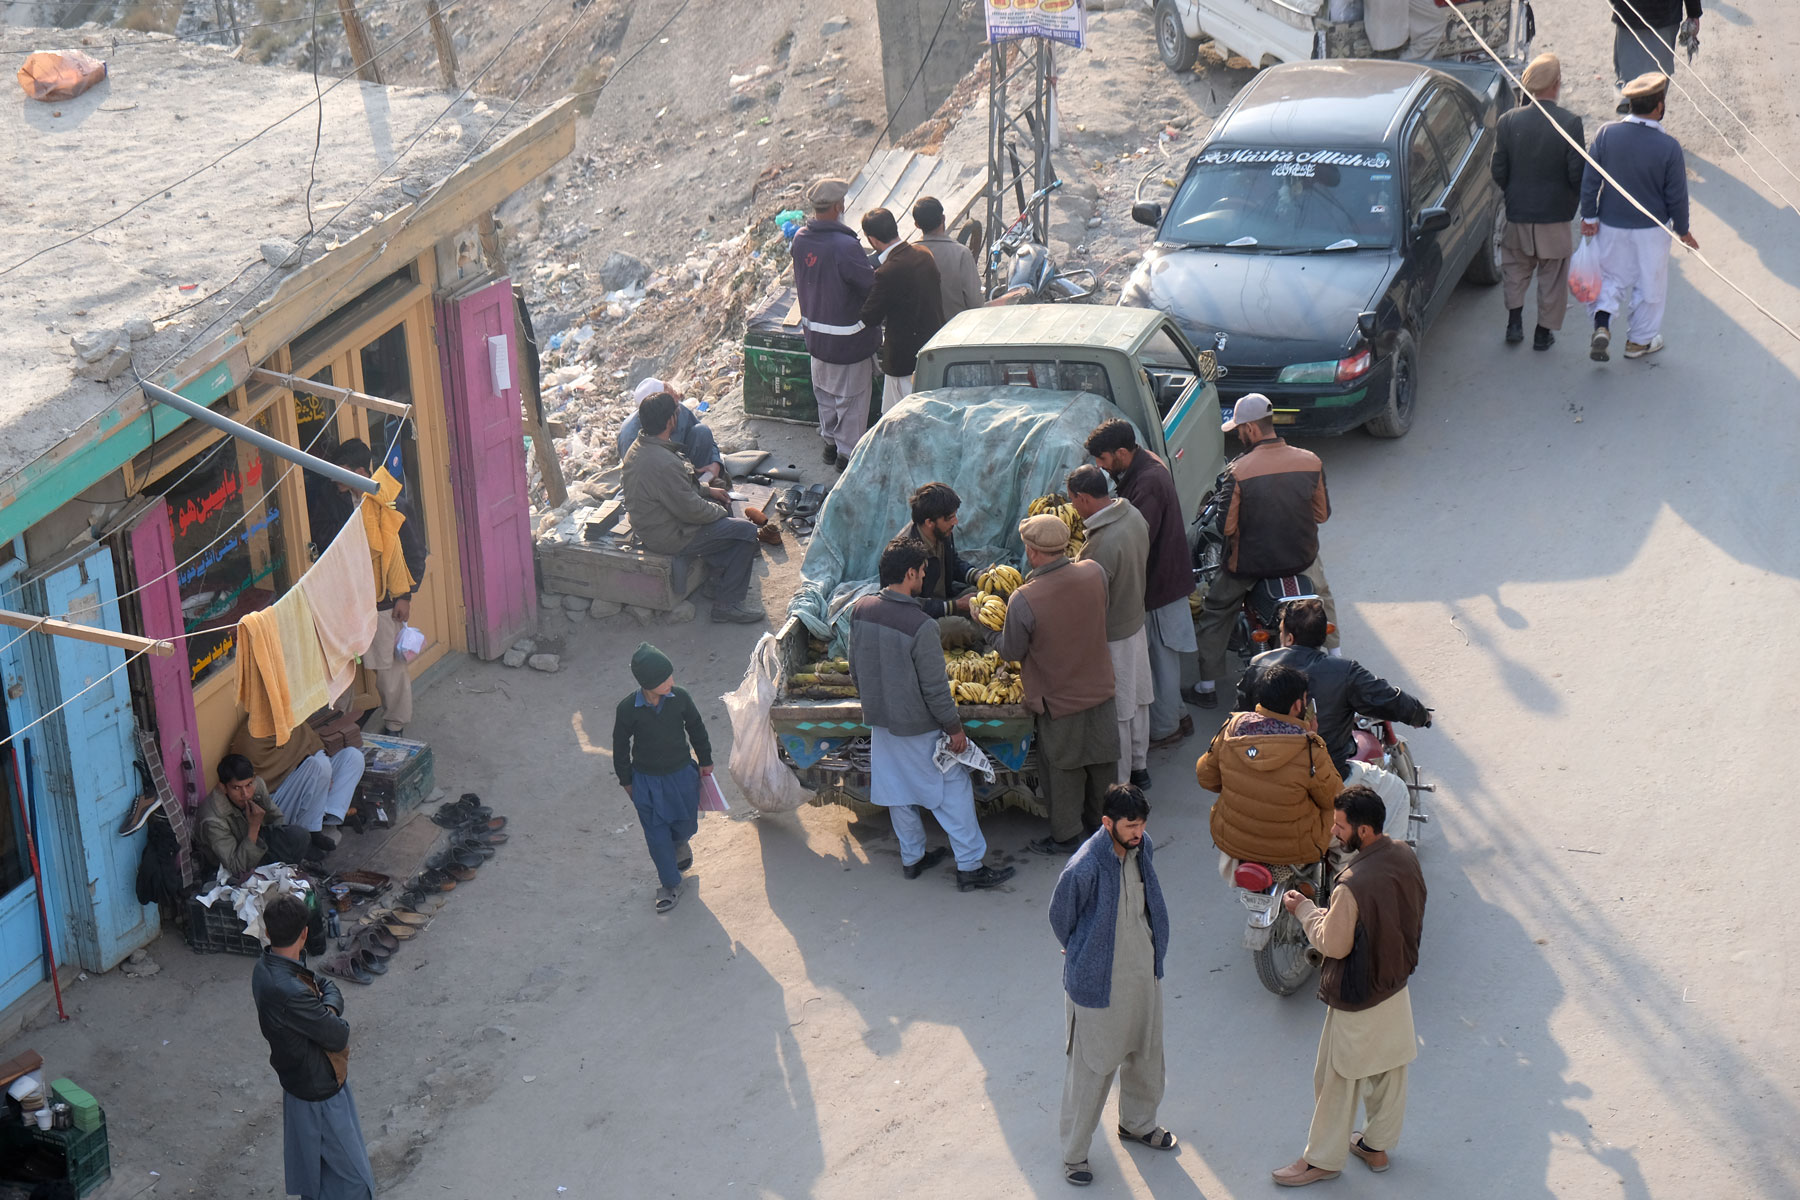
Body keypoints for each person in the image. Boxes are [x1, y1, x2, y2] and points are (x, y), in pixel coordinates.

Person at [1271, 786, 1426, 1187]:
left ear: (1365, 830)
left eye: (1341, 826)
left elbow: (1333, 943)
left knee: (1336, 1078)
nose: (1335, 831)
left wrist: (1304, 909)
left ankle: (1322, 1159)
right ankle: (1375, 1147)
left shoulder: (1352, 884)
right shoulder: (1406, 856)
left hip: (1358, 993)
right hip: (1394, 983)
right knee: (1390, 1070)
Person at [849, 539, 1016, 891]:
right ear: (910, 573)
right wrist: (954, 729)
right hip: (919, 727)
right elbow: (936, 689)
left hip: (881, 721)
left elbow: (854, 669)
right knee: (952, 792)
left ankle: (912, 859)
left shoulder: (860, 609)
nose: (924, 578)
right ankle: (970, 866)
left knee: (898, 792)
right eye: (923, 572)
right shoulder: (921, 625)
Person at [1048, 783, 1176, 1189]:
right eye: (1130, 825)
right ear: (1108, 824)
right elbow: (1060, 917)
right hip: (1097, 983)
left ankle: (1138, 1125)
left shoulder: (1144, 848)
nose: (1138, 832)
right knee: (1092, 1068)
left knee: (1146, 1054)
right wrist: (1082, 950)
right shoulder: (1084, 866)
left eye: (1141, 824)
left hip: (1143, 970)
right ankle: (1074, 1155)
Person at [1186, 395, 1337, 711]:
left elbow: (1226, 527)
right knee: (1321, 598)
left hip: (1250, 566)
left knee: (1215, 610)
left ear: (1252, 429)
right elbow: (1321, 514)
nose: (1238, 435)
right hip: (1301, 558)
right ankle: (1336, 657)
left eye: (1239, 430)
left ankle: (1207, 685)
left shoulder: (1237, 471)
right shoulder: (1311, 460)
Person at [995, 515, 1118, 856]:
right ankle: (1106, 825)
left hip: (1058, 701)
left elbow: (1012, 650)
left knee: (1063, 770)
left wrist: (987, 628)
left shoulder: (1023, 599)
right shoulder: (1094, 572)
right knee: (1103, 762)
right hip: (1100, 691)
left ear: (1032, 553)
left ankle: (1066, 836)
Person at [251, 894, 377, 1200]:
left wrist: (324, 1008)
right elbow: (338, 1035)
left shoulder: (268, 967)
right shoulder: (291, 990)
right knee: (355, 1180)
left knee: (314, 1173)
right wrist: (328, 1012)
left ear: (267, 933)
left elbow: (328, 986)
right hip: (320, 1089)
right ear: (305, 932)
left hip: (297, 1083)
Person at [1084, 420, 1195, 751]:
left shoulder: (1146, 483)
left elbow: (1136, 539)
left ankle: (1164, 729)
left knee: (1159, 660)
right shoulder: (1144, 463)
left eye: (1103, 460)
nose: (1100, 468)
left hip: (1159, 583)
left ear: (1121, 452)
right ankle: (1178, 716)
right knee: (1166, 659)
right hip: (1166, 578)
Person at [1239, 599, 1430, 781]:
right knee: (1396, 791)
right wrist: (1419, 714)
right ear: (1323, 636)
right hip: (1327, 775)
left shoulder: (1258, 665)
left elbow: (1240, 716)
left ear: (1288, 638)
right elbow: (1388, 698)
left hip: (1266, 770)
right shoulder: (1345, 671)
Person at [1580, 72, 1699, 363]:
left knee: (1609, 279)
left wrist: (1589, 216)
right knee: (1650, 287)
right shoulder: (1669, 147)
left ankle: (1602, 326)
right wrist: (1683, 231)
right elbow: (1676, 197)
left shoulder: (1606, 134)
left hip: (1610, 224)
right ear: (1659, 106)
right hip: (1652, 231)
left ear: (1630, 105)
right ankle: (1638, 342)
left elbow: (1590, 180)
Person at [619, 391, 764, 624]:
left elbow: (677, 488)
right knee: (745, 532)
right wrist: (718, 510)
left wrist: (709, 491)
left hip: (655, 523)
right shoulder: (662, 461)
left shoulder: (641, 446)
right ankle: (726, 604)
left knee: (720, 499)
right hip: (667, 535)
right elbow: (692, 510)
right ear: (670, 421)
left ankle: (717, 579)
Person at [1195, 664, 1341, 869]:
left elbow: (1206, 778)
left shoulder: (1231, 728)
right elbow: (1333, 798)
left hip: (1232, 840)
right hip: (1298, 848)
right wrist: (1314, 735)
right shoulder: (1308, 747)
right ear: (1298, 706)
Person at [1066, 465, 1154, 791]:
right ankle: (1141, 767)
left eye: (1074, 500)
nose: (1073, 507)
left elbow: (1088, 605)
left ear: (1085, 498)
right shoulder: (1132, 515)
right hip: (1136, 621)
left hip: (1115, 635)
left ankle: (1122, 783)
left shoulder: (1098, 547)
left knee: (1119, 711)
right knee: (1140, 699)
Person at [329, 439, 424, 737]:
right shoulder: (339, 504)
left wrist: (405, 597)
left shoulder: (391, 504)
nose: (334, 477)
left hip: (384, 602)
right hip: (349, 600)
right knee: (341, 665)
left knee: (388, 669)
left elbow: (415, 554)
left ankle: (396, 724)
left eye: (340, 471)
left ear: (358, 471)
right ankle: (335, 725)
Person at [1492, 53, 1586, 351]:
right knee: (1552, 275)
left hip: (1518, 214)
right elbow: (1576, 174)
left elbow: (1498, 170)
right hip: (1555, 216)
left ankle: (1514, 323)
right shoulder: (1569, 123)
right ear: (1556, 84)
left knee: (1515, 268)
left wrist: (1514, 193)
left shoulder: (1508, 121)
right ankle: (1543, 333)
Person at [612, 643, 712, 913]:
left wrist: (706, 761)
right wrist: (627, 781)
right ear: (646, 684)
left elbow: (696, 728)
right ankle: (669, 884)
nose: (671, 682)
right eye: (663, 679)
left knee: (685, 824)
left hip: (682, 776)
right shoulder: (627, 710)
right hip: (646, 782)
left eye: (670, 675)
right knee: (656, 836)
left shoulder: (680, 698)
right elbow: (620, 747)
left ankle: (680, 843)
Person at [792, 177, 881, 470]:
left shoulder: (800, 239)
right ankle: (846, 456)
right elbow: (868, 285)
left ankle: (829, 444)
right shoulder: (845, 245)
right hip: (848, 340)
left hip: (816, 338)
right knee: (851, 402)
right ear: (839, 206)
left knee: (825, 395)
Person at [229, 712, 366, 850]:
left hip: (304, 779)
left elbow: (315, 748)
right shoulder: (250, 740)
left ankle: (326, 819)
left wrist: (326, 775)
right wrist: (311, 772)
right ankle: (310, 833)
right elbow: (255, 788)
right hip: (275, 798)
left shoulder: (289, 720)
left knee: (353, 757)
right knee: (315, 766)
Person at [858, 206, 945, 412]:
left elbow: (870, 317)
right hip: (932, 348)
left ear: (872, 240)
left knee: (900, 417)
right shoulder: (924, 254)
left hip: (903, 359)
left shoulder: (887, 272)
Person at [198, 754, 318, 875]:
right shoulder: (213, 818)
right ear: (223, 788)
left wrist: (282, 843)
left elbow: (276, 818)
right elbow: (236, 866)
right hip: (228, 863)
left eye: (248, 785)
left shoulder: (257, 786)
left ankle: (288, 870)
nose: (245, 794)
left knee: (299, 836)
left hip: (256, 840)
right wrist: (254, 827)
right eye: (236, 788)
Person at [894, 482, 979, 629]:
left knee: (982, 595)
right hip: (919, 619)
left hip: (945, 601)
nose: (956, 522)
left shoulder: (943, 533)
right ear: (929, 522)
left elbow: (953, 563)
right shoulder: (905, 553)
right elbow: (909, 606)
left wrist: (977, 575)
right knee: (958, 628)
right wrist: (956, 605)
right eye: (950, 518)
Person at [615, 377, 722, 482]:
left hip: (684, 465)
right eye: (671, 396)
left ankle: (703, 480)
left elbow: (706, 439)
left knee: (702, 431)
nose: (678, 397)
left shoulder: (678, 409)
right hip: (657, 476)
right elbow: (638, 472)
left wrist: (715, 462)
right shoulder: (629, 434)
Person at [1611, 0, 1701, 104]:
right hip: (1663, 15)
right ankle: (1648, 111)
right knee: (1656, 81)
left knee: (1629, 76)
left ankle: (1632, 109)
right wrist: (1693, 13)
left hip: (1628, 13)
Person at [912, 195, 985, 321]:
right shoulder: (961, 253)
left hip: (918, 333)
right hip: (954, 331)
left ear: (917, 224)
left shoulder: (907, 254)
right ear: (943, 219)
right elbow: (975, 302)